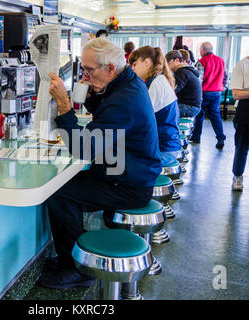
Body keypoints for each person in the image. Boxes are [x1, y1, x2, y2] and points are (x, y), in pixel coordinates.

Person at [39, 38, 162, 289]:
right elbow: (105, 112)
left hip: (129, 185)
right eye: (83, 69)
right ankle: (70, 257)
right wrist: (91, 91)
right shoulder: (125, 83)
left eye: (89, 70)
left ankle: (76, 271)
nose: (85, 74)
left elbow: (83, 149)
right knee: (67, 185)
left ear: (110, 69)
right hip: (126, 172)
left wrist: (64, 104)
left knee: (61, 194)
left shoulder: (125, 99)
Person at [130, 46, 182, 167]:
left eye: (135, 64)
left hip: (164, 150)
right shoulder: (159, 79)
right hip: (169, 146)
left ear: (146, 62)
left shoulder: (154, 84)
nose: (132, 69)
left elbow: (140, 119)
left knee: (119, 160)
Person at [190, 42, 228, 149]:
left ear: (202, 50)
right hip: (217, 93)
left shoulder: (201, 62)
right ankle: (220, 138)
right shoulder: (221, 61)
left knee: (199, 115)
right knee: (215, 115)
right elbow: (226, 77)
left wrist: (195, 94)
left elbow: (198, 80)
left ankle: (196, 137)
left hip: (204, 93)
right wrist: (222, 89)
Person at [229, 56, 249, 191]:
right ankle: (237, 177)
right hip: (246, 112)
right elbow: (236, 94)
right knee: (242, 147)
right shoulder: (242, 65)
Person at [165, 50, 202, 118]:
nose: (166, 67)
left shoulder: (182, 71)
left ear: (176, 60)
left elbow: (174, 90)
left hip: (190, 107)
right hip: (191, 106)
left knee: (162, 110)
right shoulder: (185, 70)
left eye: (168, 63)